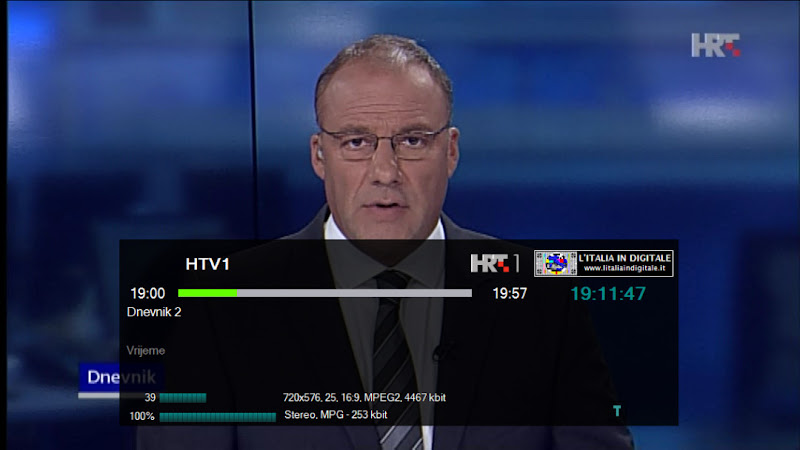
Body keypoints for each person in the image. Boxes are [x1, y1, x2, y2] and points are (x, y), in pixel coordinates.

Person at [138, 34, 634, 450]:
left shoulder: (542, 298)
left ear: (451, 151)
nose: (385, 172)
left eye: (412, 141)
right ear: (319, 156)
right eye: (356, 142)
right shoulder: (219, 308)